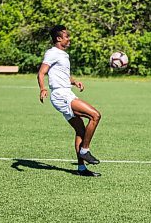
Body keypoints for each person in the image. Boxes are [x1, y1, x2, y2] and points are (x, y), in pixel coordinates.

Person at [37, 25, 102, 177]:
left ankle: (81, 169)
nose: (69, 39)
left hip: (66, 92)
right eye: (67, 36)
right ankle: (85, 150)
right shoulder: (52, 53)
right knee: (95, 116)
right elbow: (41, 73)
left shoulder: (63, 55)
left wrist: (74, 81)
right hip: (61, 95)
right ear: (59, 39)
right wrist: (42, 88)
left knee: (81, 130)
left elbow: (63, 74)